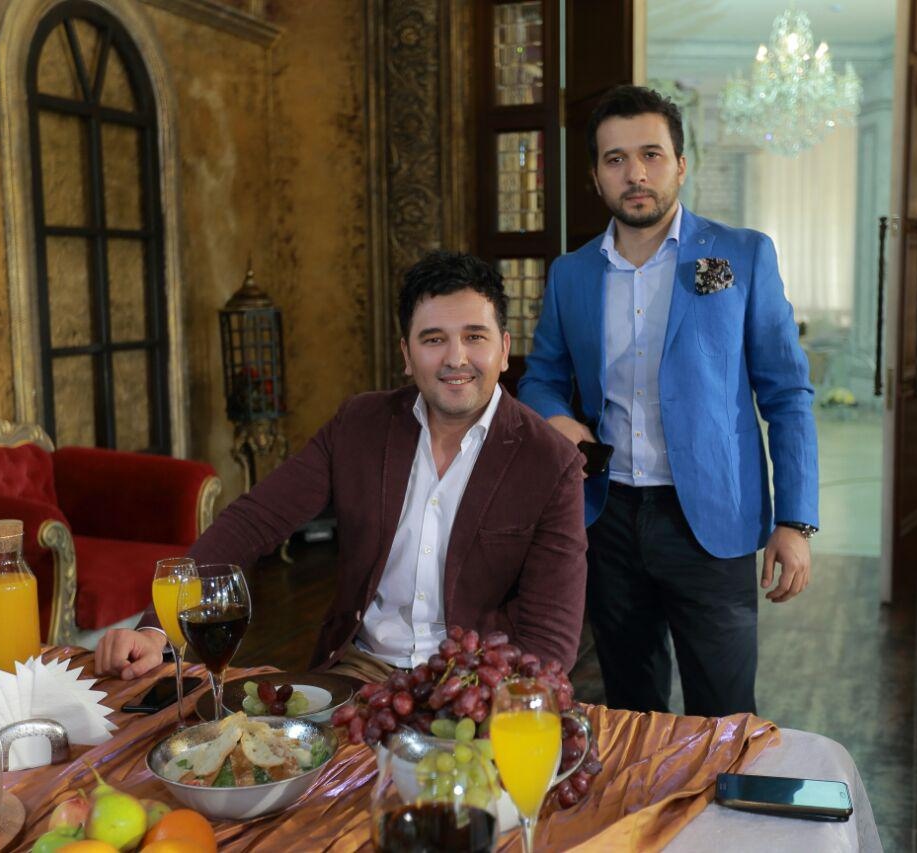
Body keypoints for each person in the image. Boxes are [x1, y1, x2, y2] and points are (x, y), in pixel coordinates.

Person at [96, 250, 587, 683]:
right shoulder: (360, 424)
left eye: (474, 336)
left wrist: (477, 710)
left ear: (504, 349)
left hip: (480, 683)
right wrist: (157, 627)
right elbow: (252, 521)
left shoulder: (551, 462)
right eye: (434, 339)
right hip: (362, 669)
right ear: (406, 354)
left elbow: (550, 641)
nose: (456, 358)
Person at [517, 85, 818, 716]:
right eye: (616, 159)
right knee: (631, 705)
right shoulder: (572, 274)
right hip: (607, 517)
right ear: (596, 176)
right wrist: (557, 417)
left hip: (711, 518)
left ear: (681, 165)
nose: (635, 174)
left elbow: (788, 393)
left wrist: (795, 520)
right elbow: (540, 376)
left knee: (724, 713)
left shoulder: (743, 256)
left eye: (651, 155)